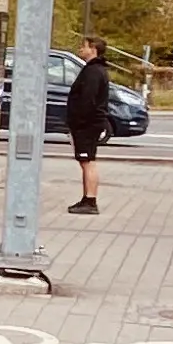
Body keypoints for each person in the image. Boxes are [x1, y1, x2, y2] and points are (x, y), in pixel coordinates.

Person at [62, 37, 112, 214]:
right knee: (86, 161)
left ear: (93, 49)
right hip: (89, 123)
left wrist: (78, 121)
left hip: (87, 124)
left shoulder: (93, 72)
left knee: (87, 161)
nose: (80, 49)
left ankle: (90, 201)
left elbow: (87, 99)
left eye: (83, 47)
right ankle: (87, 198)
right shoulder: (93, 70)